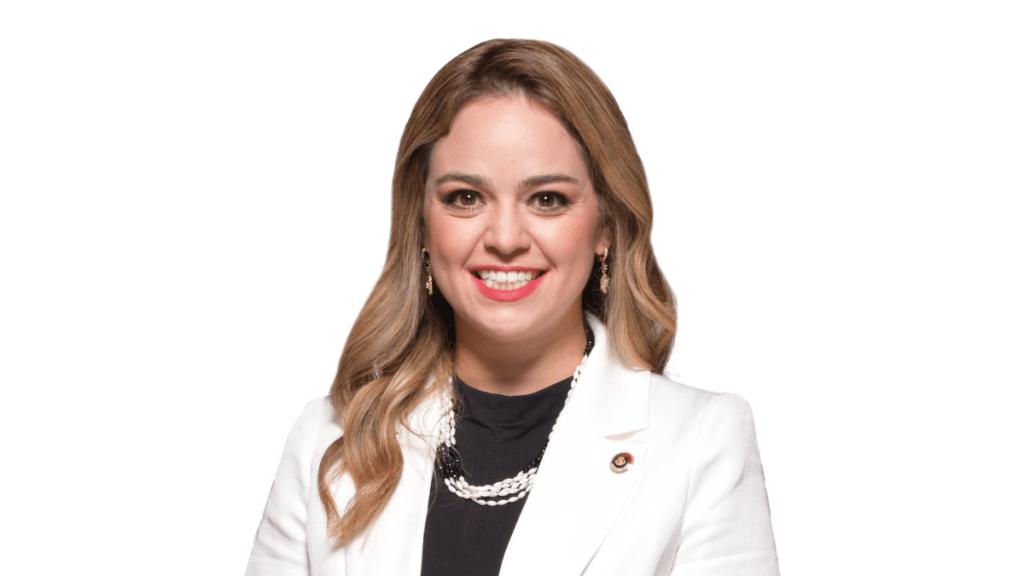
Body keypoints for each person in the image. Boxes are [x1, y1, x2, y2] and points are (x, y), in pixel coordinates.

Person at [245, 39, 779, 576]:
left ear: (607, 226)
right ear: (421, 224)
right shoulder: (327, 438)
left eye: (547, 199)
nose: (504, 239)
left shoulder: (700, 441)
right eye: (465, 197)